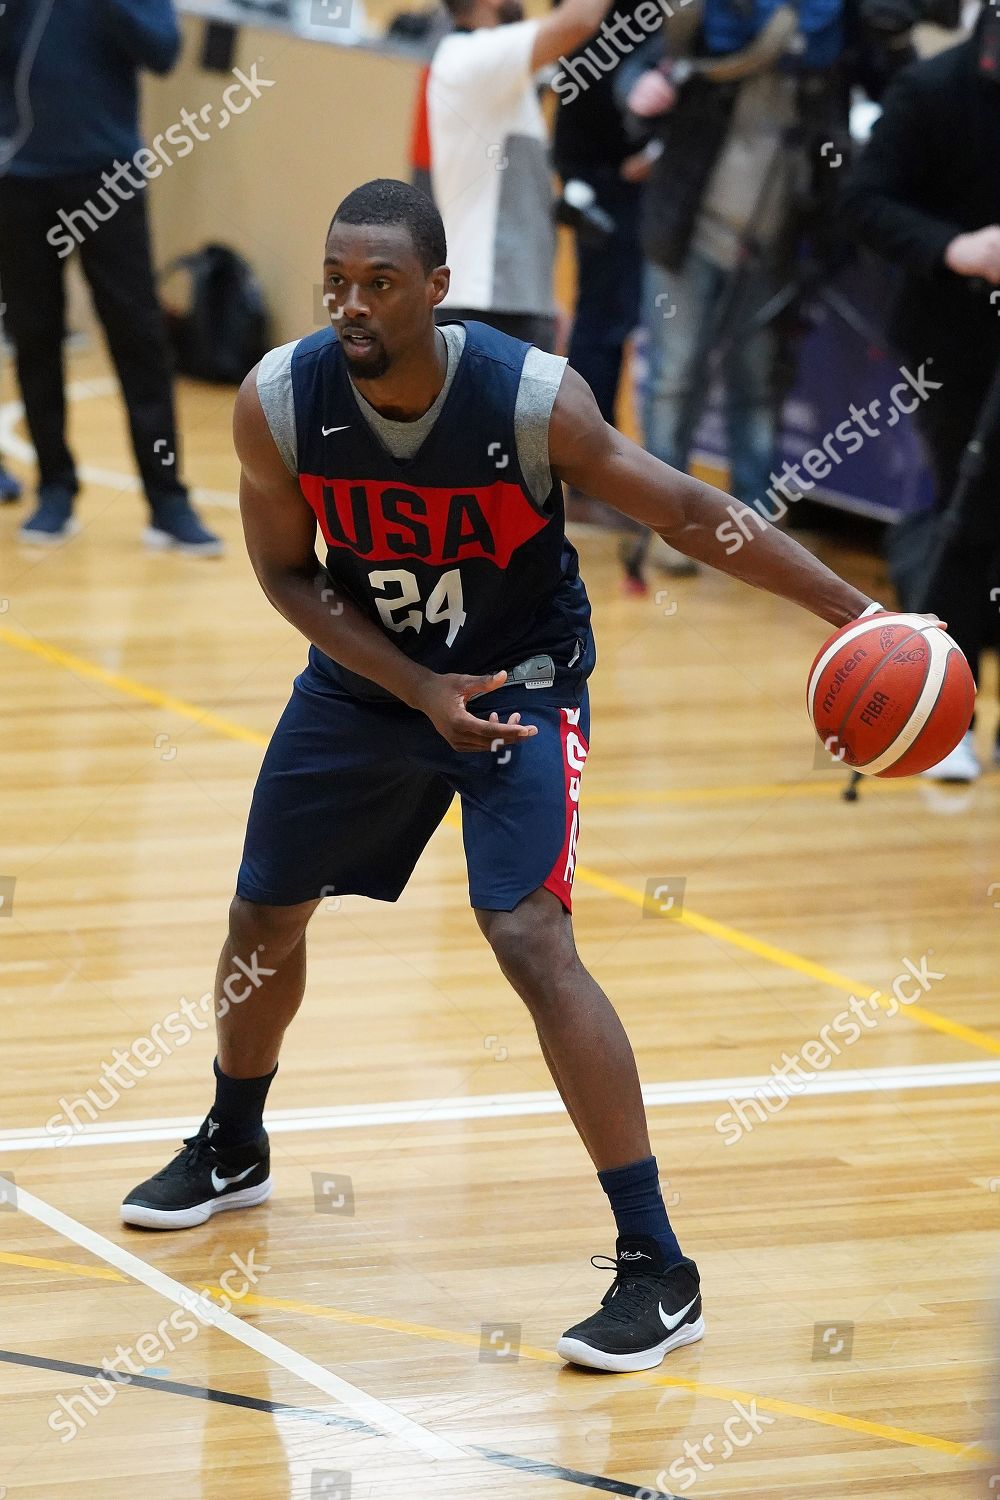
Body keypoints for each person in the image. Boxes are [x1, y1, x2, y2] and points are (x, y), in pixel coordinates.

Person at [122, 178, 883, 1374]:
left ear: (436, 289)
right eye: (336, 279)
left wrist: (853, 609)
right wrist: (414, 686)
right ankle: (233, 1139)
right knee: (262, 910)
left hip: (520, 681)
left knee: (529, 936)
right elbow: (288, 577)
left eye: (378, 283)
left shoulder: (533, 403)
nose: (350, 303)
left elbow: (683, 511)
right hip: (371, 680)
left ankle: (657, 1267)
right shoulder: (280, 400)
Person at [841, 5, 1000, 782]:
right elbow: (865, 203)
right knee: (966, 519)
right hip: (955, 340)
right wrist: (956, 249)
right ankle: (950, 715)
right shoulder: (930, 91)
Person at [0, 0, 221, 553]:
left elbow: (164, 53)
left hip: (107, 178)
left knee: (138, 338)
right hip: (20, 175)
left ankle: (167, 499)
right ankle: (55, 487)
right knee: (35, 334)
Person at [426, 0, 614, 352]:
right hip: (487, 308)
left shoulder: (498, 79)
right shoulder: (469, 57)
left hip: (511, 303)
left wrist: (544, 299)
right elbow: (581, 20)